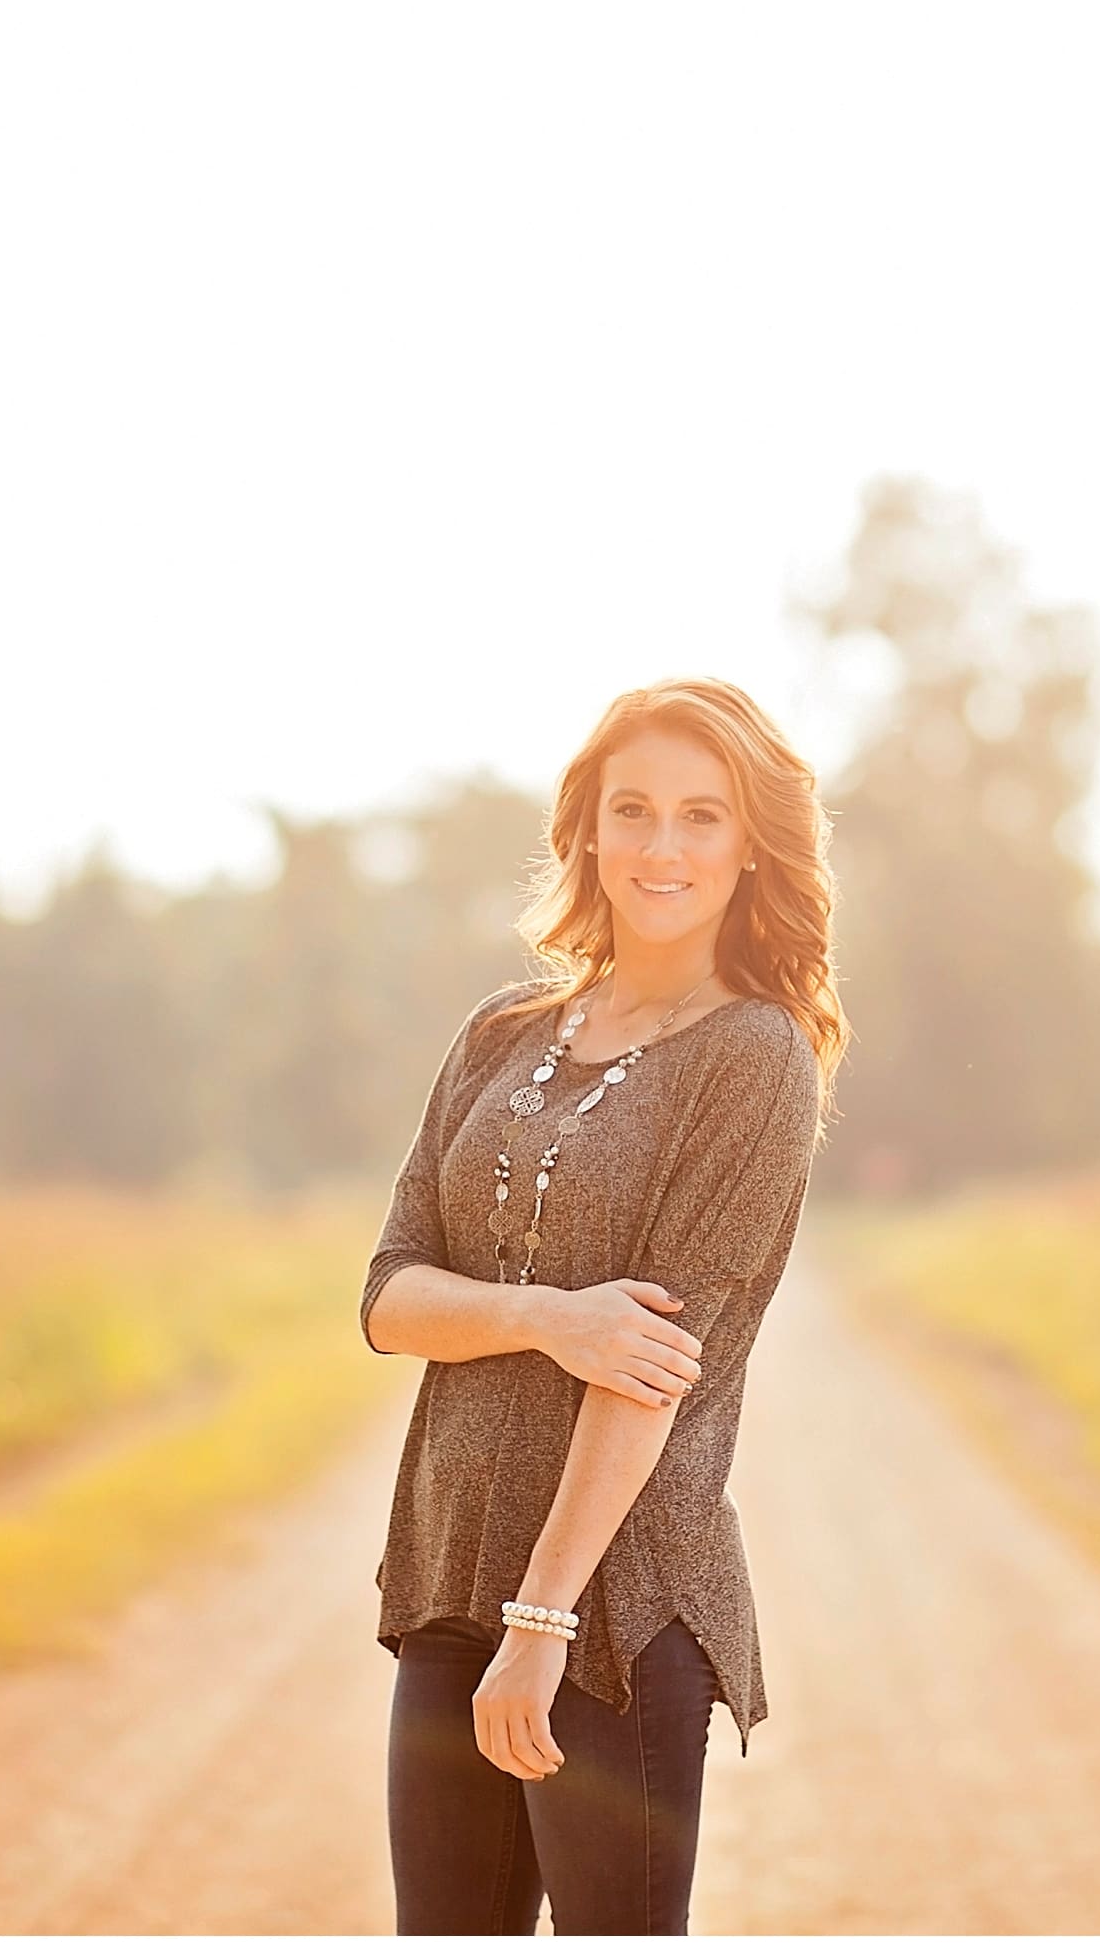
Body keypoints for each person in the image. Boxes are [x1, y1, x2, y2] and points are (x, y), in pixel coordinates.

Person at [358, 676, 849, 1935]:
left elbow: (652, 1366)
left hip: (614, 1611)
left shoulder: (755, 1056)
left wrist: (544, 1621)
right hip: (451, 1577)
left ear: (751, 847)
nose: (663, 846)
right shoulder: (497, 1034)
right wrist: (549, 1315)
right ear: (587, 829)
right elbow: (390, 1294)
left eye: (702, 816)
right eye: (634, 810)